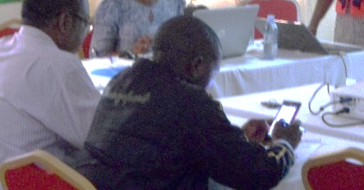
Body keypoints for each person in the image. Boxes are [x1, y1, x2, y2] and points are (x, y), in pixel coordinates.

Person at [68, 15, 302, 189]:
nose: (211, 83)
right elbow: (257, 174)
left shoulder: (123, 80)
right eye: (213, 72)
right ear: (197, 65)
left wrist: (231, 137)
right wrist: (285, 144)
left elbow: (161, 141)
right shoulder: (190, 101)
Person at [0, 0, 100, 162]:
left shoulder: (4, 47)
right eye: (86, 23)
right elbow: (101, 137)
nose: (87, 32)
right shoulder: (59, 66)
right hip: (38, 180)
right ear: (64, 22)